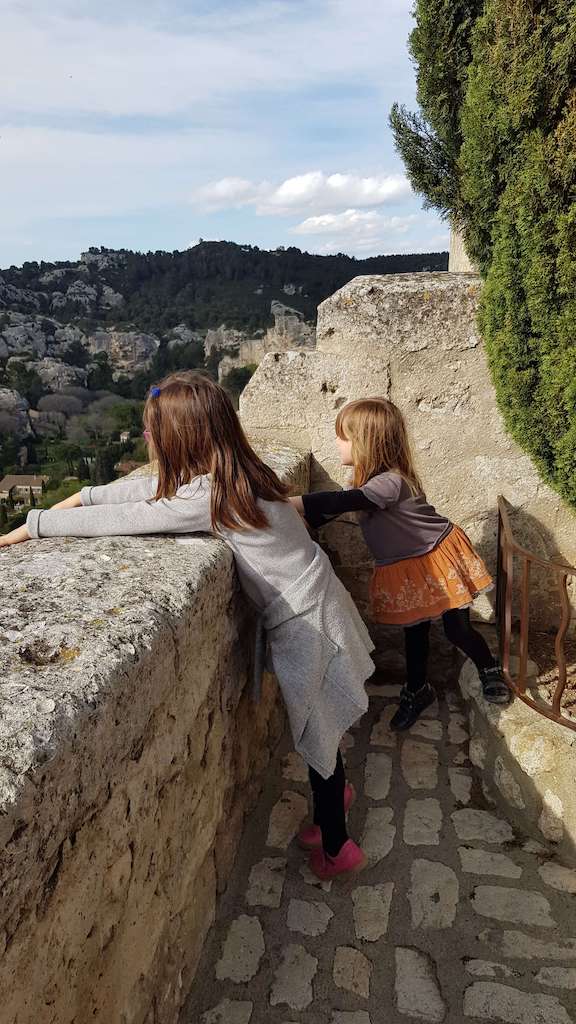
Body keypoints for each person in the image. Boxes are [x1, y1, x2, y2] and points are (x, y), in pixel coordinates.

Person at [0, 372, 375, 881]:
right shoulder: (241, 474)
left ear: (182, 438)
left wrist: (35, 526)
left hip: (309, 627)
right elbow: (142, 494)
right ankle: (335, 795)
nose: (150, 441)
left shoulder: (210, 498)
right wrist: (85, 494)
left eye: (155, 431)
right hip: (320, 605)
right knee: (321, 727)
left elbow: (133, 518)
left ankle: (337, 847)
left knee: (316, 728)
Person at [290, 397, 510, 732]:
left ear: (366, 443)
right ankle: (417, 689)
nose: (336, 442)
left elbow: (343, 501)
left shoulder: (389, 482)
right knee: (415, 632)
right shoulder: (368, 483)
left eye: (343, 436)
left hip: (436, 555)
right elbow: (331, 511)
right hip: (408, 566)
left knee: (457, 629)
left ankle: (488, 667)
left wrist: (292, 502)